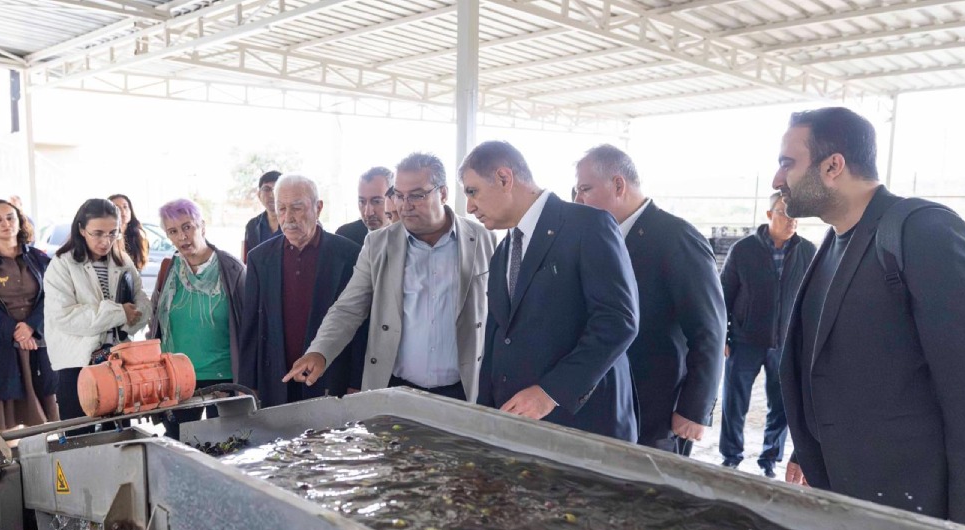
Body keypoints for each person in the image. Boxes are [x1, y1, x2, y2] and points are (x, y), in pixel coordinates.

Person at [775, 107, 965, 530]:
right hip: (852, 498)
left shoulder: (923, 230)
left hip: (917, 507)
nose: (777, 179)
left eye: (787, 163)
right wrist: (809, 449)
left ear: (833, 166)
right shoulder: (832, 242)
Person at [462, 141, 639, 441]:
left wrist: (551, 392)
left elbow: (617, 321)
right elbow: (497, 339)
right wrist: (485, 416)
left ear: (505, 179)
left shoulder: (587, 225)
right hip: (519, 428)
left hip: (583, 427)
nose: (469, 206)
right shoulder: (503, 251)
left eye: (472, 191)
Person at [286, 153, 494, 402]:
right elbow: (348, 309)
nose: (405, 205)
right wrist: (319, 352)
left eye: (417, 195)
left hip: (462, 391)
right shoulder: (378, 245)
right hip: (395, 390)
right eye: (398, 194)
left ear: (443, 193)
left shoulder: (482, 240)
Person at [574, 145, 725, 456]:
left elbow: (709, 328)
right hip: (608, 403)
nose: (578, 201)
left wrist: (695, 409)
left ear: (618, 185)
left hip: (658, 407)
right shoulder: (601, 239)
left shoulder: (675, 237)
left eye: (585, 190)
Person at [240, 174, 364, 406]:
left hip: (332, 377)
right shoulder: (259, 258)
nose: (288, 217)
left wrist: (356, 382)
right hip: (276, 378)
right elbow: (252, 326)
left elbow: (359, 324)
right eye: (282, 209)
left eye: (297, 208)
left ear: (318, 207)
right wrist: (249, 384)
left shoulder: (349, 255)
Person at [718, 193, 817, 476]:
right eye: (785, 213)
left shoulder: (808, 251)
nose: (792, 221)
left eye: (796, 215)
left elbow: (813, 301)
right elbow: (724, 294)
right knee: (734, 403)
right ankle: (731, 456)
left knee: (782, 407)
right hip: (744, 340)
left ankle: (769, 460)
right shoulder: (743, 250)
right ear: (769, 214)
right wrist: (724, 337)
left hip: (785, 346)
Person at [43, 198, 151, 425]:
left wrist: (130, 317)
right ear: (81, 229)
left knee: (119, 436)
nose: (106, 241)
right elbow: (64, 316)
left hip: (118, 362)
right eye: (98, 233)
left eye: (113, 233)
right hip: (76, 365)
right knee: (78, 439)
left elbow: (142, 304)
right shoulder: (62, 264)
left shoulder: (123, 261)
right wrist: (119, 313)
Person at [149, 198, 245, 439]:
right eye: (173, 231)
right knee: (178, 446)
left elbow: (249, 327)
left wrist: (246, 382)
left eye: (187, 227)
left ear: (202, 226)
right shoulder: (168, 270)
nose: (182, 236)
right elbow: (155, 323)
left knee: (226, 447)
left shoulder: (232, 268)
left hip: (223, 378)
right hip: (177, 379)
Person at [0, 199, 58, 431]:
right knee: (5, 421)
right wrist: (15, 332)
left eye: (10, 217)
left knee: (48, 412)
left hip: (39, 340)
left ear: (20, 222)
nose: (5, 223)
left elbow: (53, 296)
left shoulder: (39, 258)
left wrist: (31, 327)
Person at [336, 166, 394, 247]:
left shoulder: (411, 238)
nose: (368, 213)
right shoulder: (344, 236)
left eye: (377, 201)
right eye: (362, 202)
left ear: (394, 199)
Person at [242, 170, 282, 263]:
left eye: (276, 190)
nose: (272, 195)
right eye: (267, 189)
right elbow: (248, 262)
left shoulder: (294, 223)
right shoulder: (252, 226)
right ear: (259, 195)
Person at [110, 193, 149, 271]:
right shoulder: (107, 237)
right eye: (117, 208)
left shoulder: (139, 236)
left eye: (125, 207)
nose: (122, 211)